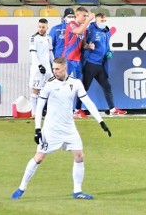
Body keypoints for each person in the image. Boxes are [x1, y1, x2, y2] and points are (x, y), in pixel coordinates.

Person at [11, 56, 112, 201]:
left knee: (79, 156)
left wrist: (101, 121)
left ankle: (77, 191)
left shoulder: (75, 83)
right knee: (39, 158)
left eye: (57, 69)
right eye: (53, 69)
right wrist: (37, 129)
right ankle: (22, 187)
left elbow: (87, 102)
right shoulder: (49, 85)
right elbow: (39, 108)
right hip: (51, 129)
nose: (54, 72)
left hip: (69, 128)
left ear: (65, 68)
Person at [82, 13, 127, 117]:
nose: (104, 23)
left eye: (105, 20)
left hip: (101, 65)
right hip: (91, 64)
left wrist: (109, 52)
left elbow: (107, 46)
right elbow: (82, 43)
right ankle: (77, 110)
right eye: (102, 21)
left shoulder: (106, 31)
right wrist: (88, 46)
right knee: (83, 88)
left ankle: (112, 109)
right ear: (96, 21)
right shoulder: (90, 30)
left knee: (107, 86)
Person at [28, 18, 54, 114]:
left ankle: (50, 111)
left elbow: (50, 52)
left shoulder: (49, 38)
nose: (41, 29)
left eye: (43, 27)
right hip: (37, 69)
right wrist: (39, 66)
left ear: (47, 27)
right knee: (35, 90)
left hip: (48, 69)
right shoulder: (33, 38)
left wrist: (54, 64)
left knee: (52, 89)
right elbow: (33, 53)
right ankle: (34, 113)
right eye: (39, 27)